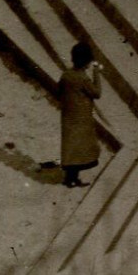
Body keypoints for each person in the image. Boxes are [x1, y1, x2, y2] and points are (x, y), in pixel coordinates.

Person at [57, 42, 103, 188]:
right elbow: (97, 93)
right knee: (80, 148)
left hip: (68, 117)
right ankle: (72, 179)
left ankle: (70, 178)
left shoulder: (66, 75)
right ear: (86, 62)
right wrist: (97, 74)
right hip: (81, 118)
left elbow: (59, 90)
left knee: (71, 148)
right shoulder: (83, 78)